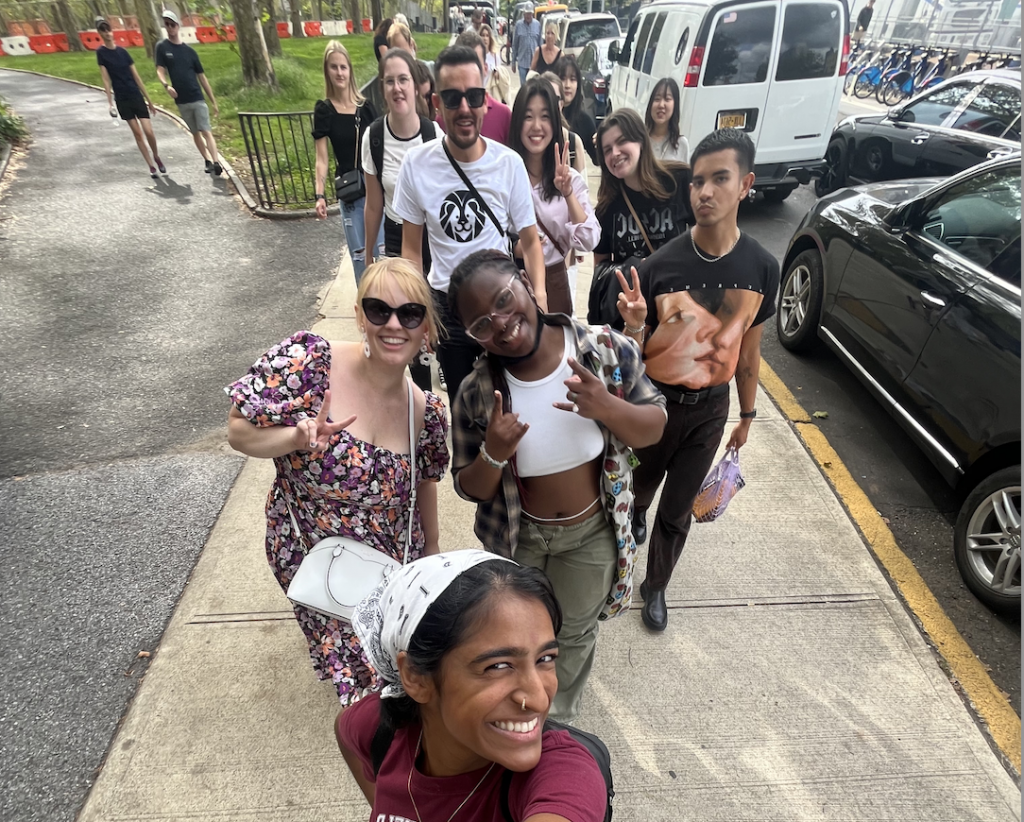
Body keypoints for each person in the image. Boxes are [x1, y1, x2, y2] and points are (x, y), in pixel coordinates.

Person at [448, 250, 667, 721]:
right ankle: (521, 719)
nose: (502, 324)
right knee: (518, 642)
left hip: (591, 535)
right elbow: (470, 488)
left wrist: (607, 406)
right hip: (518, 537)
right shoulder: (476, 391)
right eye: (482, 324)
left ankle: (558, 728)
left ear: (526, 280)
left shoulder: (604, 349)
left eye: (505, 299)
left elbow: (653, 426)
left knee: (572, 636)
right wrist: (494, 452)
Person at [225, 258, 450, 705]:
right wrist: (296, 436)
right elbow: (237, 431)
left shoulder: (425, 411)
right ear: (358, 315)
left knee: (393, 671)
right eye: (378, 309)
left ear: (426, 330)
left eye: (410, 314)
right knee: (365, 680)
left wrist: (431, 560)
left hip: (386, 568)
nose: (393, 324)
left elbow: (424, 485)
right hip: (315, 556)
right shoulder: (311, 363)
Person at [616, 128, 780, 632]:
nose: (704, 191)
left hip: (711, 409)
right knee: (638, 488)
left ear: (746, 183)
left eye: (720, 179)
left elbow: (749, 352)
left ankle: (656, 586)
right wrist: (635, 324)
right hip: (655, 405)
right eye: (697, 181)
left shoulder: (763, 269)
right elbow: (633, 352)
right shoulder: (660, 266)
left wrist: (747, 416)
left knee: (679, 508)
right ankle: (633, 530)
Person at [338, 550, 608, 820]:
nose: (539, 700)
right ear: (415, 676)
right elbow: (344, 729)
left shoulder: (563, 772)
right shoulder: (378, 729)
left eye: (545, 658)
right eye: (498, 666)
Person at [392, 45, 545, 399]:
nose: (464, 108)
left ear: (485, 101)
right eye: (452, 97)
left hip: (504, 303)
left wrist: (540, 301)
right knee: (465, 408)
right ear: (436, 104)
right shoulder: (416, 166)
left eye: (473, 96)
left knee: (516, 402)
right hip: (448, 310)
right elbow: (411, 251)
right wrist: (421, 312)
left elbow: (531, 241)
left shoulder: (508, 164)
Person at [363, 48, 438, 391]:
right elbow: (374, 204)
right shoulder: (374, 137)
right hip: (395, 239)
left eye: (403, 79)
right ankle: (408, 400)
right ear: (382, 88)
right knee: (404, 326)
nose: (397, 88)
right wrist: (367, 257)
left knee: (436, 327)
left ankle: (434, 391)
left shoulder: (433, 134)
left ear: (416, 85)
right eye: (390, 81)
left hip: (434, 241)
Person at [509, 78, 599, 315]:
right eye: (528, 116)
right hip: (510, 282)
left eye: (545, 117)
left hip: (555, 281)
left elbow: (590, 240)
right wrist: (520, 248)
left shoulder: (569, 179)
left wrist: (567, 193)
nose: (536, 126)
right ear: (517, 122)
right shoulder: (504, 178)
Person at [593, 108, 692, 299]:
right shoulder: (606, 207)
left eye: (622, 142)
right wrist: (636, 267)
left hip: (678, 300)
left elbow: (707, 236)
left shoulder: (679, 180)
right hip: (632, 310)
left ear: (641, 141)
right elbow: (601, 271)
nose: (615, 153)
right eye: (607, 150)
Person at [312, 41, 380, 284]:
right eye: (334, 67)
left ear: (350, 70)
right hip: (350, 194)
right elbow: (322, 159)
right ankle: (366, 308)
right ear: (327, 71)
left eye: (343, 67)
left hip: (374, 190)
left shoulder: (366, 108)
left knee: (381, 254)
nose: (339, 73)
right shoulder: (324, 110)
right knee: (360, 256)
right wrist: (319, 195)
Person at [95, 18, 165, 178]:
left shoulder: (123, 52)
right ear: (100, 33)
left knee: (149, 131)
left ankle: (156, 156)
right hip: (121, 98)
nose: (107, 33)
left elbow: (137, 77)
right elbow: (105, 79)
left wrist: (149, 101)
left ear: (112, 31)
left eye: (108, 29)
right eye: (103, 30)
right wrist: (109, 102)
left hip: (135, 95)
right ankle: (151, 166)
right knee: (138, 134)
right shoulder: (101, 53)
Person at [155, 10, 221, 175]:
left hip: (197, 96)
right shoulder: (162, 47)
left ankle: (216, 162)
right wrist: (166, 85)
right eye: (167, 25)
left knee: (206, 130)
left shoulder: (190, 52)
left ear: (178, 26)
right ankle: (207, 160)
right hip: (181, 99)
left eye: (172, 24)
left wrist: (213, 101)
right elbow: (160, 70)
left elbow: (202, 77)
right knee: (195, 132)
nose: (170, 28)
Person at [440, 31, 512, 144]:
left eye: (474, 64)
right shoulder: (443, 118)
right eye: (462, 62)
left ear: (485, 68)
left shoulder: (504, 116)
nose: (467, 70)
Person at [540, 72, 586, 174]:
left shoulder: (573, 142)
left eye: (554, 98)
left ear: (561, 104)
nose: (549, 103)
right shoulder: (527, 138)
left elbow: (582, 188)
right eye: (545, 96)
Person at [558, 55, 597, 164]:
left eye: (572, 79)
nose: (567, 85)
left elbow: (598, 160)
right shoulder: (546, 118)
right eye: (562, 78)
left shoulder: (585, 121)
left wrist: (603, 143)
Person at [646, 78, 689, 164]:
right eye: (657, 99)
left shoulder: (681, 144)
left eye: (667, 99)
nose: (661, 105)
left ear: (675, 105)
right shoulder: (640, 140)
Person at [480, 23, 509, 104]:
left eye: (487, 35)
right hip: (479, 93)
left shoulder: (495, 56)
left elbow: (501, 73)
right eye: (482, 35)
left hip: (492, 94)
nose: (485, 38)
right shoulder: (476, 55)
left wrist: (497, 73)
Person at [513, 9, 542, 86]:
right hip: (522, 61)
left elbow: (540, 44)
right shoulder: (518, 25)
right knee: (524, 86)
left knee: (534, 85)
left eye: (530, 14)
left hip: (534, 62)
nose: (528, 16)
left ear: (532, 14)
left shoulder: (537, 25)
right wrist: (513, 62)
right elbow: (515, 44)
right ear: (523, 14)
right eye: (526, 14)